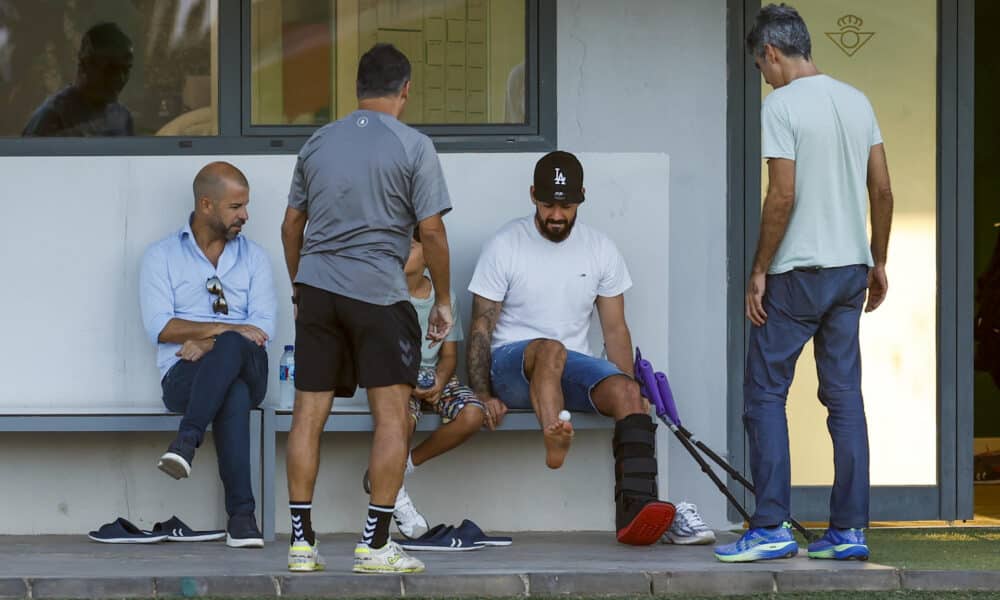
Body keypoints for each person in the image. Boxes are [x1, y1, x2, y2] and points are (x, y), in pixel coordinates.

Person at [714, 3, 893, 563]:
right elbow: (883, 191)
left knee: (765, 394)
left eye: (760, 66)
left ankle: (769, 526)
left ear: (770, 53)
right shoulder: (856, 99)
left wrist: (759, 269)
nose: (763, 76)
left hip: (798, 275)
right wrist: (878, 261)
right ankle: (849, 532)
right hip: (849, 272)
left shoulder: (782, 105)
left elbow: (782, 196)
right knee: (843, 400)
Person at [281, 43, 454, 574]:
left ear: (355, 91)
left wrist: (299, 286)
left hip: (317, 290)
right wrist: (443, 299)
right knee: (391, 417)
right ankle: (375, 543)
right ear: (405, 90)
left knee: (309, 414)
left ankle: (301, 545)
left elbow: (291, 226)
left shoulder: (316, 142)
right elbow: (430, 230)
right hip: (379, 294)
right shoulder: (413, 145)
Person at [466, 150, 675, 546]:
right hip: (513, 366)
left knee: (629, 393)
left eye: (566, 205)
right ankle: (554, 438)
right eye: (548, 205)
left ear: (581, 198)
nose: (557, 215)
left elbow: (615, 330)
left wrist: (628, 391)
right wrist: (481, 394)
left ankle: (637, 511)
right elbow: (481, 327)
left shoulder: (600, 249)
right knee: (551, 349)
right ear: (532, 196)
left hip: (568, 368)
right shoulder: (505, 244)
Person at [139, 161, 276, 549]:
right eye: (236, 207)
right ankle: (242, 518)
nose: (245, 215)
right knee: (230, 389)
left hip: (251, 369)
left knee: (235, 350)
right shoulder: (161, 257)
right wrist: (220, 330)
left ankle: (186, 442)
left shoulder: (255, 258)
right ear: (206, 205)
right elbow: (161, 328)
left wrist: (212, 343)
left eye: (245, 205)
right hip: (183, 376)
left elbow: (261, 328)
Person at [362, 229, 487, 538]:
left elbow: (448, 356)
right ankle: (398, 500)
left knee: (473, 413)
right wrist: (407, 382)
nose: (403, 248)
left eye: (413, 243)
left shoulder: (443, 299)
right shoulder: (383, 295)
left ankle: (401, 467)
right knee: (399, 421)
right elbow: (374, 352)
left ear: (428, 255)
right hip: (393, 379)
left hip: (435, 377)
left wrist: (440, 381)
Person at [23, 22, 134, 137]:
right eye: (111, 69)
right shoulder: (52, 118)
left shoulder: (123, 119)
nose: (120, 78)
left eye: (126, 70)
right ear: (86, 63)